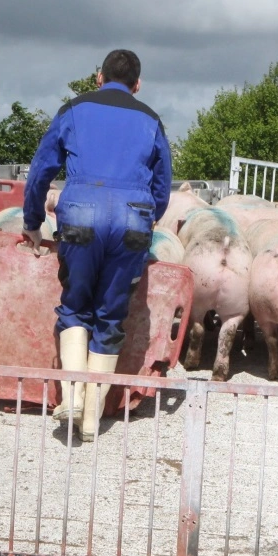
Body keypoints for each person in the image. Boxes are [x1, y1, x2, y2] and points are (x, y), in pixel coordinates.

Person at [21, 49, 173, 442]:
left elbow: (40, 172)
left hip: (80, 216)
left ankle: (72, 396)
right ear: (137, 85)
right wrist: (147, 216)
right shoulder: (151, 120)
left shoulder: (73, 110)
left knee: (75, 306)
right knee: (110, 315)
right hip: (132, 221)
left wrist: (32, 222)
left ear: (98, 77)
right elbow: (162, 187)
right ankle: (91, 418)